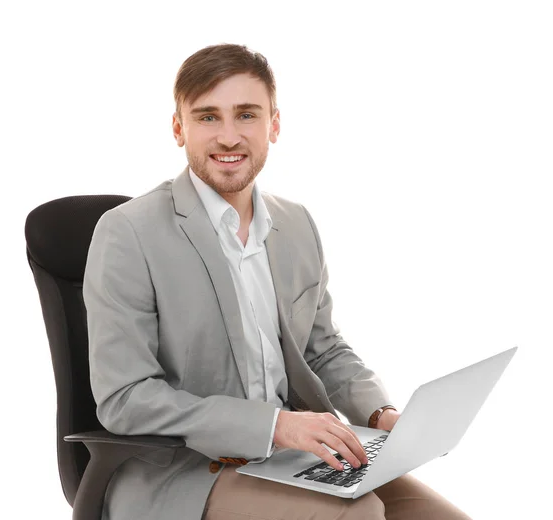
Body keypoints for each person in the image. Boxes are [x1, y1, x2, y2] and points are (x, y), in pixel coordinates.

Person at [83, 43, 471, 520]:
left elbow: (323, 349)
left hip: (294, 460)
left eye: (246, 115)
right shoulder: (128, 233)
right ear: (178, 128)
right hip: (185, 473)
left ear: (274, 124)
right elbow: (125, 398)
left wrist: (381, 416)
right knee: (359, 514)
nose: (229, 137)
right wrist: (274, 426)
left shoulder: (296, 224)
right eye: (208, 117)